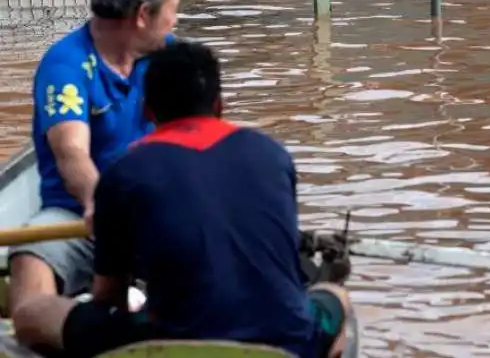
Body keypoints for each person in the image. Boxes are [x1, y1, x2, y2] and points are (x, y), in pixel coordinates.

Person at [12, 41, 358, 358]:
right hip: (287, 339)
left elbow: (108, 297)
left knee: (32, 313)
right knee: (337, 298)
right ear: (220, 105)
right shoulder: (273, 155)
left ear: (148, 110)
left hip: (165, 337)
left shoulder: (123, 172)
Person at [9, 0, 179, 322]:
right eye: (171, 12)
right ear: (142, 16)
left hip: (159, 211)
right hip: (80, 214)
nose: (174, 21)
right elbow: (71, 153)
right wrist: (100, 204)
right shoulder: (67, 63)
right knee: (29, 259)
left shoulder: (173, 58)